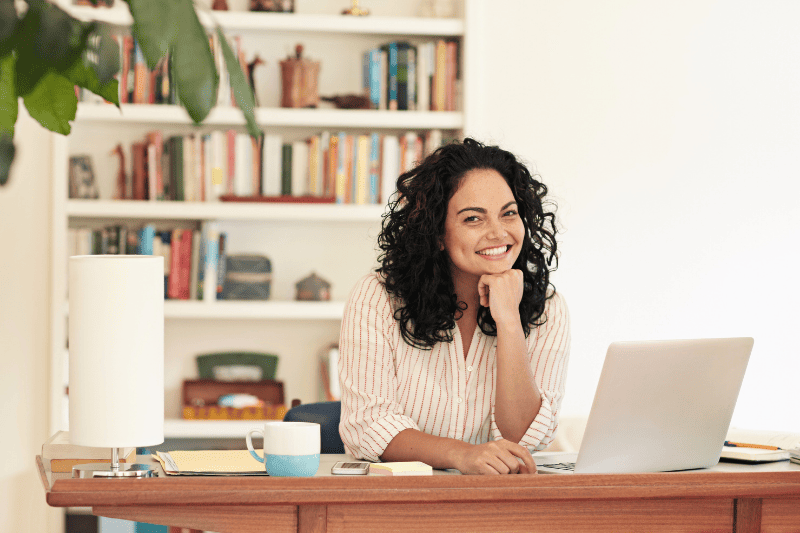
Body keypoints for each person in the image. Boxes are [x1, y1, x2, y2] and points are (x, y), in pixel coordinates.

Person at [338, 138, 570, 475]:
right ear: (437, 234)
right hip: (395, 505)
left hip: (497, 506)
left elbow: (521, 438)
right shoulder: (377, 297)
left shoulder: (547, 309)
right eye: (473, 219)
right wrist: (462, 455)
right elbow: (368, 426)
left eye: (509, 213)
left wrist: (508, 321)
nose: (498, 232)